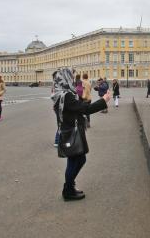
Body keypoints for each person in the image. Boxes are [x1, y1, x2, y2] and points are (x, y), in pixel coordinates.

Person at [51, 68, 111, 201]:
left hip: (70, 130)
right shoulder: (66, 96)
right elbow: (86, 109)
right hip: (72, 131)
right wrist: (104, 100)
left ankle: (70, 187)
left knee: (75, 160)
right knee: (77, 159)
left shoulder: (61, 93)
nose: (73, 79)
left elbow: (77, 107)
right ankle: (68, 190)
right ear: (65, 78)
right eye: (70, 76)